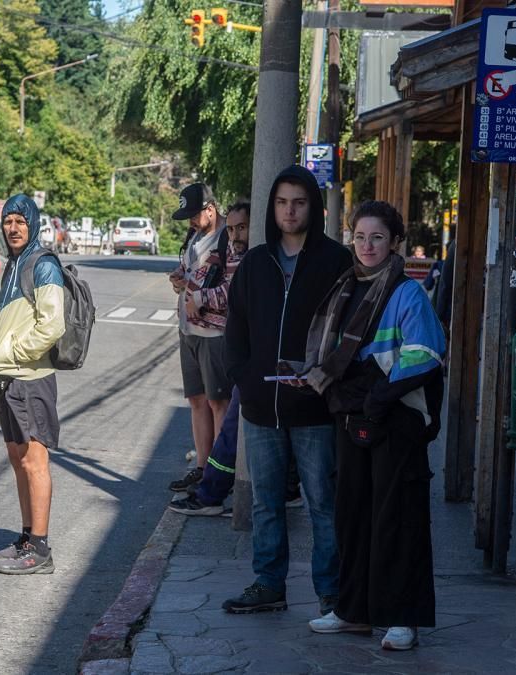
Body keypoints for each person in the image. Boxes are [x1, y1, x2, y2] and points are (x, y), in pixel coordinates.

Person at [301, 200, 445, 651]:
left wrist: (377, 398)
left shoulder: (408, 293)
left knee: (396, 516)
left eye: (377, 237)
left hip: (395, 416)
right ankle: (354, 611)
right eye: (360, 237)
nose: (367, 245)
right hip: (352, 414)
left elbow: (424, 356)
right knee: (354, 514)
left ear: (395, 242)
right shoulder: (346, 286)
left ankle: (402, 617)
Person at [222, 165, 353, 615]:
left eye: (298, 202)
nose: (289, 210)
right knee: (266, 502)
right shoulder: (256, 262)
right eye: (281, 202)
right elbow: (235, 326)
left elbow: (349, 331)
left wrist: (326, 377)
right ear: (272, 208)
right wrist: (244, 377)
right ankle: (268, 583)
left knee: (322, 501)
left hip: (314, 406)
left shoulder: (336, 261)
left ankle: (331, 590)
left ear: (312, 206)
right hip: (261, 406)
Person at [168, 202, 303, 516]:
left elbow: (234, 293)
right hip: (248, 352)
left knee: (234, 424)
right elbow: (206, 278)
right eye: (231, 229)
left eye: (242, 227)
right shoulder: (228, 250)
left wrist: (200, 296)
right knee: (243, 426)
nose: (236, 235)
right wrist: (188, 284)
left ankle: (214, 492)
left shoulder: (264, 257)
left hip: (270, 355)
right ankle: (219, 487)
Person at [0, 194, 65, 575]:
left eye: (20, 221)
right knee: (18, 459)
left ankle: (41, 550)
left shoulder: (42, 266)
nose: (12, 228)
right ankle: (27, 538)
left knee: (34, 461)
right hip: (8, 378)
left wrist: (15, 352)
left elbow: (53, 324)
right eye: (7, 221)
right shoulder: (14, 265)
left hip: (31, 378)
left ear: (33, 223)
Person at [167, 184, 234, 493]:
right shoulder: (195, 237)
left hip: (214, 333)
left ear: (210, 209)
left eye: (194, 215)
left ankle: (221, 473)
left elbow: (235, 287)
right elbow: (189, 269)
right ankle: (202, 467)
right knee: (196, 400)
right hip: (188, 330)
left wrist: (203, 297)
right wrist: (179, 278)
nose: (191, 222)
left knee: (218, 402)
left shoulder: (228, 239)